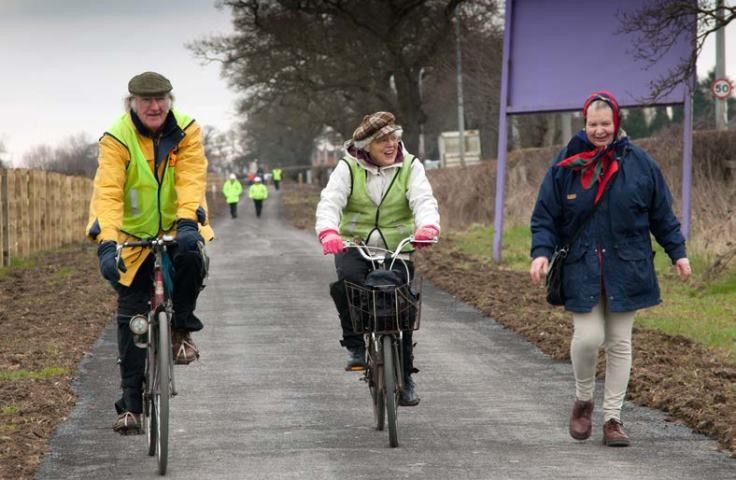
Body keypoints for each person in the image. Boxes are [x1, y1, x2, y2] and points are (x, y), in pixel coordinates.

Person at [529, 91, 691, 447]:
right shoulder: (565, 165)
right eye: (593, 124)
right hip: (581, 265)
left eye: (606, 124)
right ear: (584, 124)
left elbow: (661, 215)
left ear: (617, 123)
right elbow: (545, 217)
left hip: (627, 265)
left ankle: (613, 419)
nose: (600, 130)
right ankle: (584, 399)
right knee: (588, 339)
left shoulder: (641, 164)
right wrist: (541, 253)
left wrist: (678, 253)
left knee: (619, 342)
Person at [86, 71, 214, 435]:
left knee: (193, 258)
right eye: (146, 101)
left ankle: (181, 328)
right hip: (133, 236)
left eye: (161, 99)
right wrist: (108, 243)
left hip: (180, 227)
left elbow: (191, 178)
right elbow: (108, 193)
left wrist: (188, 220)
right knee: (131, 316)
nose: (155, 106)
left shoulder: (187, 130)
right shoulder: (116, 138)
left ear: (169, 100)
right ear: (133, 104)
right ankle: (130, 405)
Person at [315, 111, 440, 406]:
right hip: (354, 244)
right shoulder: (348, 167)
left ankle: (406, 376)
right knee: (348, 283)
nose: (391, 145)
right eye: (383, 140)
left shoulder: (411, 166)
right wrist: (329, 232)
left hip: (397, 246)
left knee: (403, 305)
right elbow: (330, 201)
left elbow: (423, 200)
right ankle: (356, 347)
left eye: (395, 138)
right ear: (367, 145)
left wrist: (428, 226)